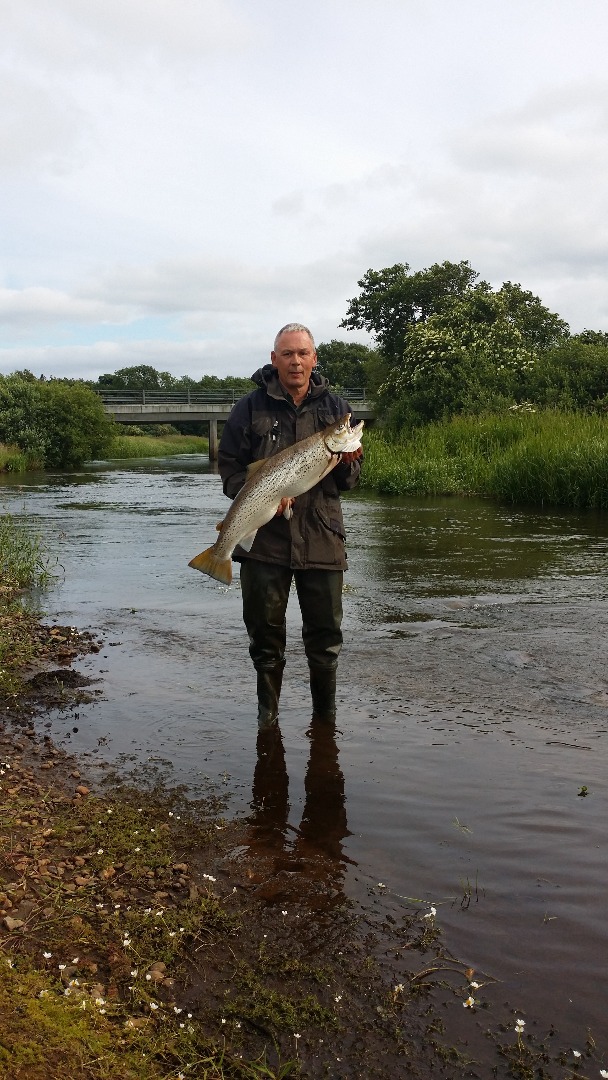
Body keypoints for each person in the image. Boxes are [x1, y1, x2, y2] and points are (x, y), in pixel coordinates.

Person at [218, 323, 363, 729]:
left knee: (325, 641)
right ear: (274, 359)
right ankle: (268, 720)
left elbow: (349, 484)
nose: (295, 361)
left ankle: (325, 722)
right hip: (264, 542)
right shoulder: (249, 409)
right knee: (265, 641)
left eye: (303, 353)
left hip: (322, 538)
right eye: (287, 354)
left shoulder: (336, 410)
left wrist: (350, 462)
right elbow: (230, 470)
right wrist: (261, 494)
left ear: (314, 359)